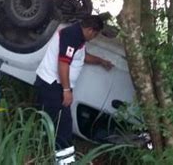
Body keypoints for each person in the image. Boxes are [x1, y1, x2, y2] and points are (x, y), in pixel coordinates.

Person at [35, 15, 114, 164]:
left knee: (53, 121)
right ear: (91, 30)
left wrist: (101, 61)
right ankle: (65, 161)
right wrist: (66, 90)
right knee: (63, 123)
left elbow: (81, 57)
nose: (94, 37)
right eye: (95, 34)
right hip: (53, 85)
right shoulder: (72, 36)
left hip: (53, 85)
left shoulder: (77, 36)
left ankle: (46, 152)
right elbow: (63, 64)